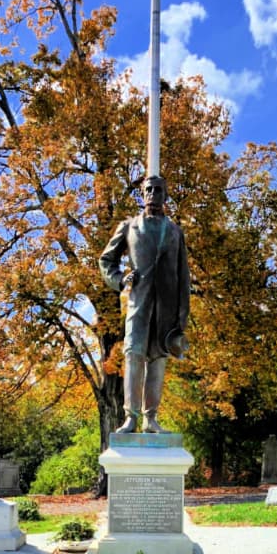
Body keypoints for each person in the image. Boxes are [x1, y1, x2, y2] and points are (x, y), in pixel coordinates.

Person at [99, 175, 190, 433]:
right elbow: (106, 260)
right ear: (142, 194)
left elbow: (183, 276)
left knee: (158, 359)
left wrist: (182, 317)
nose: (153, 193)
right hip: (139, 304)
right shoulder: (129, 227)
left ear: (165, 195)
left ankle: (151, 419)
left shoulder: (174, 231)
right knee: (134, 356)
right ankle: (131, 418)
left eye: (158, 190)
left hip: (166, 310)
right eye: (148, 189)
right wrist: (119, 280)